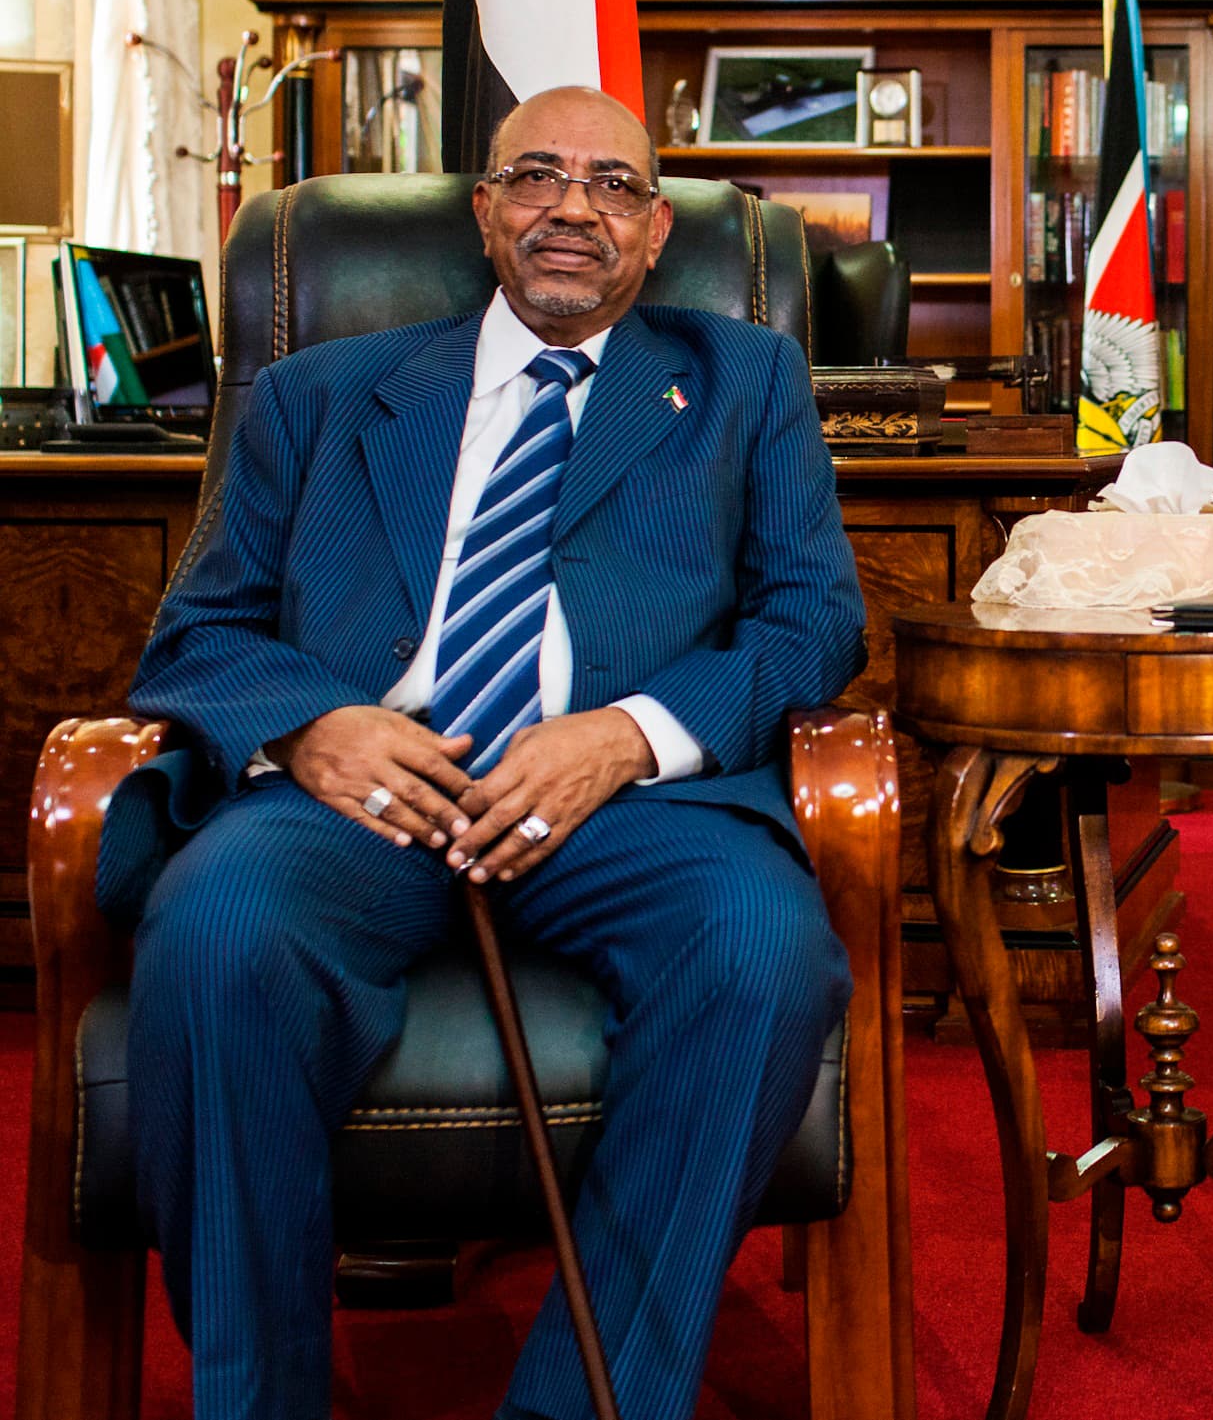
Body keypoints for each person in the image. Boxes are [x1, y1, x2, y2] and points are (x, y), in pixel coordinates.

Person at [118, 85, 866, 1420]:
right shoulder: (318, 394)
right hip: (365, 789)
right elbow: (200, 631)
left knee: (761, 949)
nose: (573, 205)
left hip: (626, 802)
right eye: (537, 176)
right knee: (221, 927)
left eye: (615, 187)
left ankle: (584, 1400)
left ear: (651, 237)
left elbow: (818, 616)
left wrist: (627, 737)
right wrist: (316, 723)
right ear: (485, 213)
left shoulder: (744, 383)